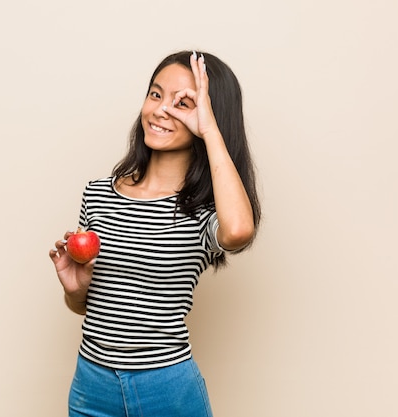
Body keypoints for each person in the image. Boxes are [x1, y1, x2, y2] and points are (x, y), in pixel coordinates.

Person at [49, 50, 261, 417]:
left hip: (166, 389)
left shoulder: (203, 212)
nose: (161, 110)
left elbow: (240, 231)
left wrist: (209, 131)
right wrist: (76, 288)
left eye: (185, 103)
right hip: (91, 385)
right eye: (156, 94)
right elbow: (86, 307)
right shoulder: (98, 193)